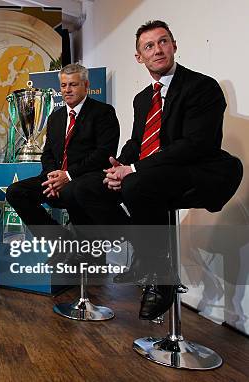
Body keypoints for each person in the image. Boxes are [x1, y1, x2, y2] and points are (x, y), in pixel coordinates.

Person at [73, 20, 242, 320]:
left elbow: (194, 145)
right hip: (150, 173)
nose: (157, 49)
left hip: (196, 171)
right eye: (149, 46)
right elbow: (137, 141)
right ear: (139, 57)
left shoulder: (202, 87)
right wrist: (120, 165)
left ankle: (158, 276)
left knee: (137, 185)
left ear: (174, 46)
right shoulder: (142, 99)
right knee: (84, 187)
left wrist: (134, 170)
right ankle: (152, 258)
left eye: (163, 42)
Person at [5, 63, 120, 264]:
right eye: (64, 85)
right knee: (16, 192)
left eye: (73, 85)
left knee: (73, 190)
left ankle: (89, 255)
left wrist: (67, 176)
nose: (67, 90)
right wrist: (52, 177)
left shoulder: (103, 112)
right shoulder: (56, 117)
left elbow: (103, 154)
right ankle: (60, 241)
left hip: (86, 180)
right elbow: (47, 153)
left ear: (86, 85)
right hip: (57, 179)